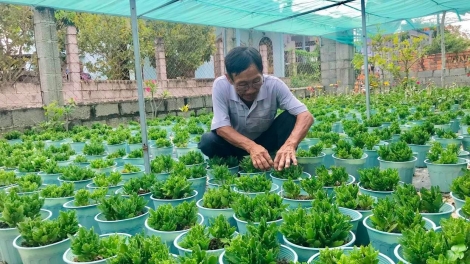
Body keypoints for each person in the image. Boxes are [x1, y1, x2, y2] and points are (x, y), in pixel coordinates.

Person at [198, 47, 314, 171]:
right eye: (242, 84)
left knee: (291, 118)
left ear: (262, 72)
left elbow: (306, 116)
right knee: (208, 141)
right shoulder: (221, 86)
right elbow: (222, 128)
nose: (251, 89)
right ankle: (233, 165)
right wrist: (251, 147)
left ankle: (280, 160)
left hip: (265, 142)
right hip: (235, 145)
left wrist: (290, 144)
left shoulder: (274, 85)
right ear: (229, 79)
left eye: (256, 81)